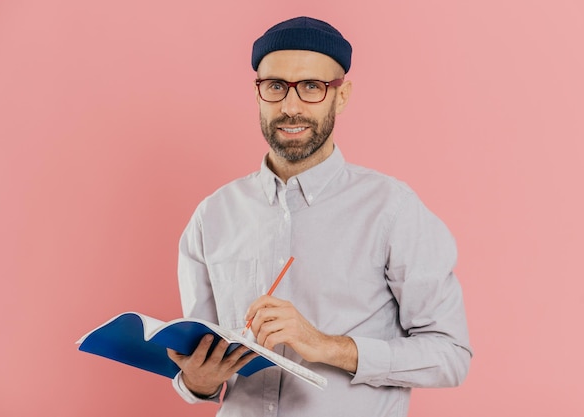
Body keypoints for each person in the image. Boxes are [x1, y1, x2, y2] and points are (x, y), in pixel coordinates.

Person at [167, 16, 472, 416]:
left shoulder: (392, 210)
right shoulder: (213, 216)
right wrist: (197, 383)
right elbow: (202, 358)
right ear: (258, 93)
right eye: (275, 86)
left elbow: (450, 355)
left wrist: (327, 345)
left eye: (312, 87)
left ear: (340, 97)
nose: (291, 107)